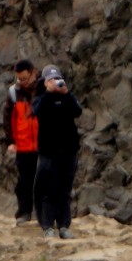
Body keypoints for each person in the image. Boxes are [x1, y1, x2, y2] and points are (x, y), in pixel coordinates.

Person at [32, 64, 83, 238]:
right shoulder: (40, 99)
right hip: (48, 152)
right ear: (45, 82)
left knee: (64, 190)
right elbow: (37, 111)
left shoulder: (67, 97)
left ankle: (64, 226)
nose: (56, 82)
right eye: (52, 79)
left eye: (58, 78)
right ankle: (47, 226)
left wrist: (66, 93)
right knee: (48, 190)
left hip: (68, 151)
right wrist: (48, 92)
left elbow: (78, 111)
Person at [1, 60, 43, 224]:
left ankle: (44, 216)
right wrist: (11, 141)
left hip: (43, 144)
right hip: (23, 146)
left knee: (44, 181)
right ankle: (24, 213)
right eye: (20, 79)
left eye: (25, 78)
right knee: (24, 182)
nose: (22, 82)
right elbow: (7, 118)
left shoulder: (45, 88)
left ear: (33, 72)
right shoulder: (14, 92)